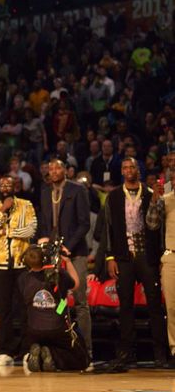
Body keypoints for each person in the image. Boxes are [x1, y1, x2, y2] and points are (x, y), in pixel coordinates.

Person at [104, 157, 166, 370]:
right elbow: (108, 229)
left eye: (132, 167)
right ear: (121, 171)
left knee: (154, 304)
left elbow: (159, 229)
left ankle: (160, 353)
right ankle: (127, 353)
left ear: (138, 170)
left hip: (147, 255)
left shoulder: (149, 194)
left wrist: (160, 256)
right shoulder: (113, 196)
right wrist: (110, 257)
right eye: (125, 167)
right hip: (124, 256)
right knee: (126, 306)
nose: (129, 170)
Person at [38, 159, 92, 359]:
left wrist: (68, 245)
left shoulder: (77, 190)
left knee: (80, 301)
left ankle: (86, 350)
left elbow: (84, 223)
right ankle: (61, 349)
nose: (53, 171)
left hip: (75, 254)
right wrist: (44, 240)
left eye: (57, 168)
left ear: (66, 171)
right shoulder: (45, 192)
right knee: (59, 301)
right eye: (50, 168)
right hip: (53, 255)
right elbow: (44, 223)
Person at [0, 176, 37, 367]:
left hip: (22, 263)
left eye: (9, 184)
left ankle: (26, 350)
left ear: (15, 186)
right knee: (4, 309)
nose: (6, 187)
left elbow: (31, 230)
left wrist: (9, 232)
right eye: (2, 185)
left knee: (24, 308)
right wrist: (2, 211)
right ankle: (5, 351)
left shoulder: (26, 205)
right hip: (1, 263)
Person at [19, 246, 89, 372]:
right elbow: (76, 285)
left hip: (34, 329)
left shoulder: (23, 278)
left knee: (47, 339)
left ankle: (37, 355)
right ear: (44, 259)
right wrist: (67, 261)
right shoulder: (58, 274)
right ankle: (52, 355)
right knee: (81, 359)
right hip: (57, 326)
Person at [146, 151, 175, 368]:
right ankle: (174, 349)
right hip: (171, 256)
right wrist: (155, 200)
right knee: (172, 307)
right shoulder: (166, 199)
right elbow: (152, 224)